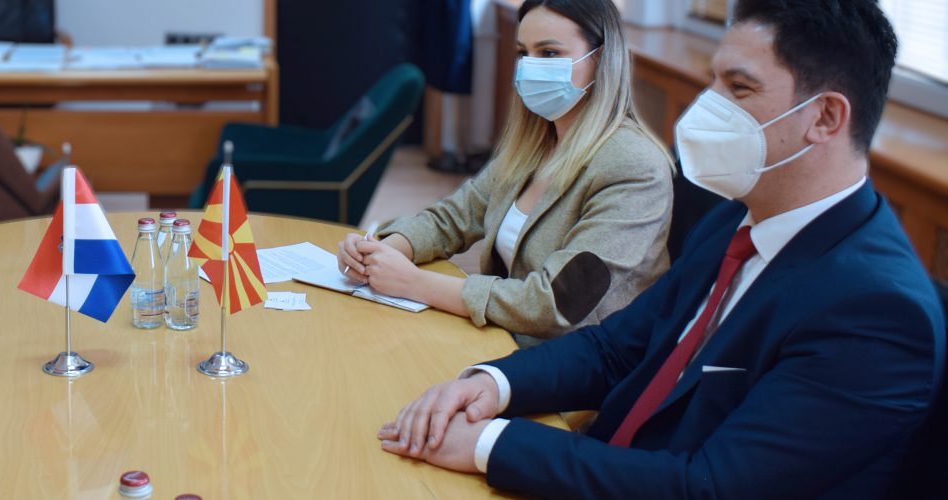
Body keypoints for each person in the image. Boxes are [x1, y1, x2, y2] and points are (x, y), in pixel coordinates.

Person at [377, 0, 945, 497]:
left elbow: (709, 487)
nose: (707, 106)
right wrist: (491, 384)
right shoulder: (736, 220)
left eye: (739, 88)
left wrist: (492, 445)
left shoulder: (877, 313)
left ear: (825, 117)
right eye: (713, 81)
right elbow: (615, 350)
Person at [337, 0, 672, 343]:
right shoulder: (536, 142)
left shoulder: (634, 165)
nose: (530, 66)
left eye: (549, 53)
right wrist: (382, 251)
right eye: (523, 52)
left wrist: (414, 283)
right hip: (507, 336)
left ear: (600, 59)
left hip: (577, 359)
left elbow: (557, 304)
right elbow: (453, 218)